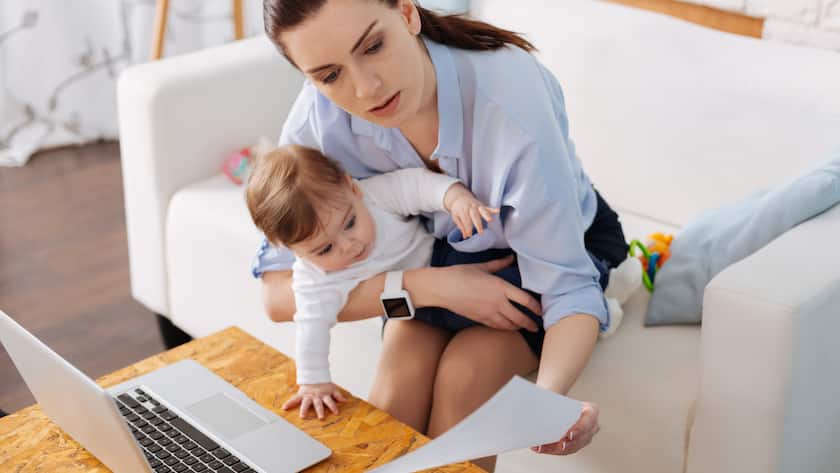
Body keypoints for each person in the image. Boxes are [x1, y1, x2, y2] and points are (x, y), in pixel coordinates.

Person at [254, 0, 632, 470]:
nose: (366, 88)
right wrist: (431, 288)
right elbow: (280, 296)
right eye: (330, 75)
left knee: (464, 379)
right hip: (431, 260)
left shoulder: (511, 101)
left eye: (373, 46)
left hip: (539, 251)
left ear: (407, 12)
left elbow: (567, 284)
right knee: (397, 387)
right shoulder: (317, 120)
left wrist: (546, 406)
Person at [246, 144, 500, 418]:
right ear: (293, 251)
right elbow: (311, 328)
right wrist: (313, 383)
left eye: (350, 223)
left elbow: (415, 186)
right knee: (397, 398)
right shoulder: (314, 279)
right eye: (325, 249)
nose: (349, 245)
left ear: (351, 187)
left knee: (493, 268)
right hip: (412, 310)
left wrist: (454, 198)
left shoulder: (372, 196)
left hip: (442, 258)